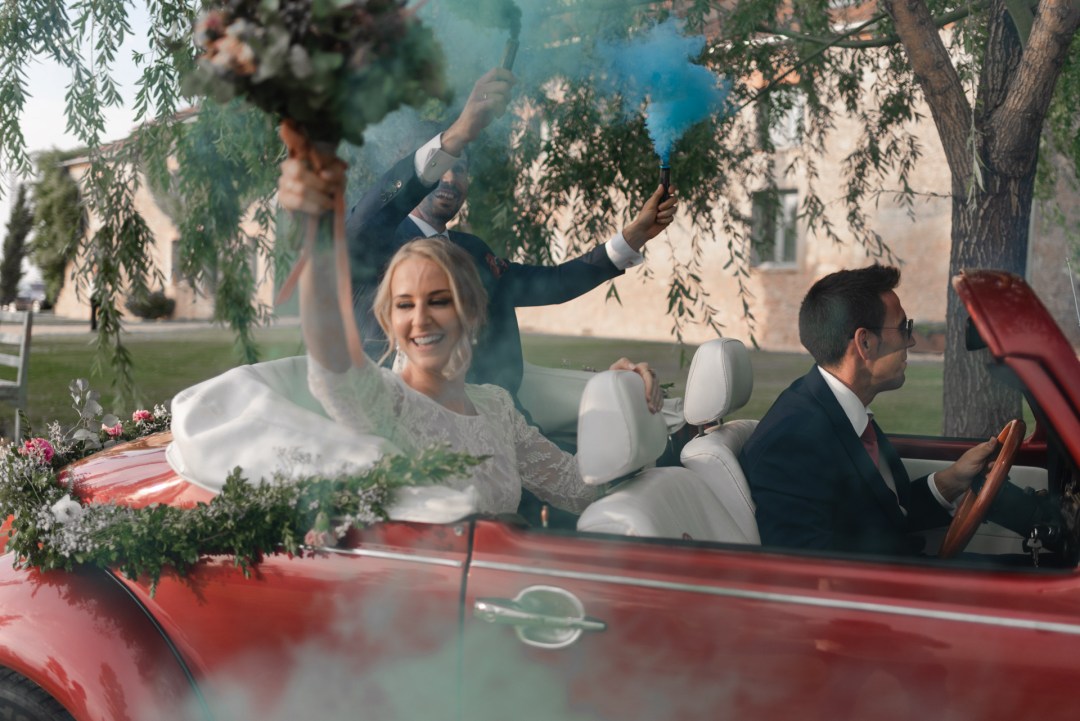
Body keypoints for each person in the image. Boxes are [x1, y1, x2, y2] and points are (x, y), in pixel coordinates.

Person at [279, 67, 678, 397]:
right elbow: (371, 214)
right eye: (445, 167)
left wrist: (633, 237)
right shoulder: (372, 242)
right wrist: (457, 137)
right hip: (403, 421)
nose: (452, 179)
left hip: (498, 418)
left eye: (463, 169)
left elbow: (553, 283)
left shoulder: (472, 251)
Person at [298, 232, 663, 516]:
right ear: (389, 320)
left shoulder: (497, 405)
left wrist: (618, 395)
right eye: (405, 305)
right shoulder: (388, 401)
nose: (420, 319)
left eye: (439, 301)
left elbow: (579, 490)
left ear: (471, 312)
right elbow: (333, 376)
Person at [740, 264, 1039, 556]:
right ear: (865, 342)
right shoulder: (792, 442)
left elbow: (886, 515)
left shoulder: (841, 411)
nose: (910, 340)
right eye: (903, 327)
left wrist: (953, 479)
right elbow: (808, 572)